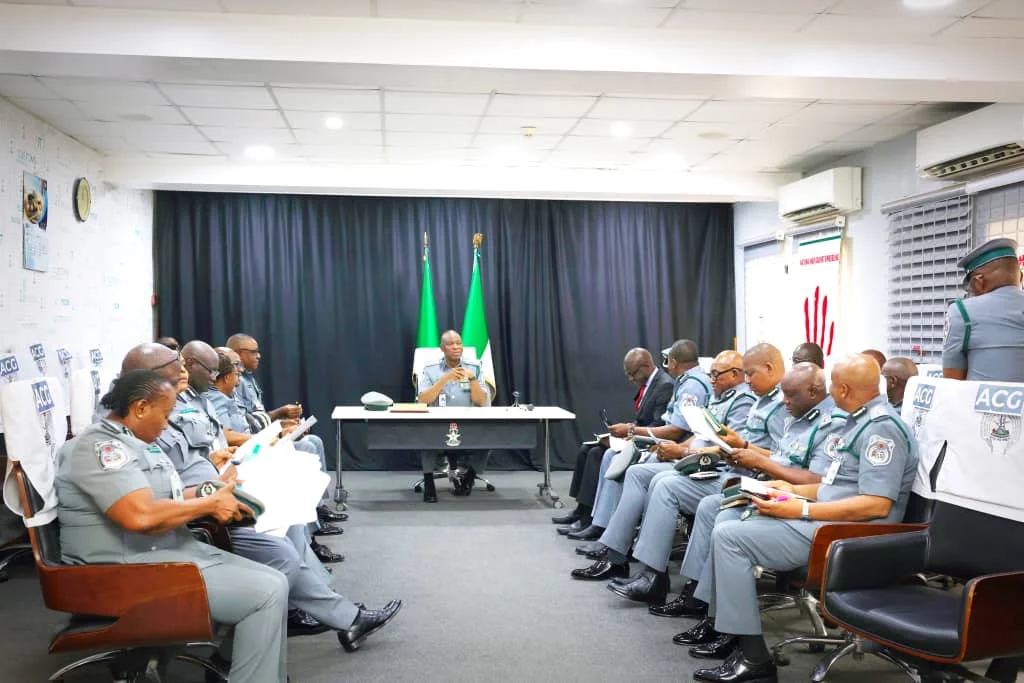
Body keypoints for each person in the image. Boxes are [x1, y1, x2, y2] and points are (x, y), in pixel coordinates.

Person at [137, 341, 403, 651]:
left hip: (216, 491)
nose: (183, 369)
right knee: (281, 547)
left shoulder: (181, 403)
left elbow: (193, 456)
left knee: (287, 522)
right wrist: (211, 491)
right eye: (178, 365)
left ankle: (334, 614)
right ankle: (304, 619)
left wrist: (217, 465)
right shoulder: (139, 422)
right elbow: (157, 494)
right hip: (202, 515)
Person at [689, 354, 918, 683]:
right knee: (727, 520)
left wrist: (802, 509)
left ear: (843, 389)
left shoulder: (881, 429)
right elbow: (837, 486)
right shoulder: (857, 421)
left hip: (851, 534)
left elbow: (876, 505)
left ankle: (754, 658)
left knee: (730, 537)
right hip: (832, 521)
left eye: (832, 385)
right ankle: (728, 630)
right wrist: (789, 489)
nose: (829, 391)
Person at [56, 369, 290, 683]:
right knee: (265, 593)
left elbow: (168, 497)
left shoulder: (139, 444)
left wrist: (213, 491)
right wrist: (209, 505)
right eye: (165, 416)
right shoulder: (99, 448)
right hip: (119, 569)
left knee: (277, 580)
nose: (167, 425)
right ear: (140, 408)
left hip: (161, 552)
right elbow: (140, 516)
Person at [570, 344, 785, 596]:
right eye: (712, 374)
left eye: (717, 375)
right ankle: (620, 555)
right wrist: (681, 449)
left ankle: (657, 576)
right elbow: (704, 436)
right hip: (717, 463)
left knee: (664, 484)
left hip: (733, 472)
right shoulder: (749, 400)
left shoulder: (753, 402)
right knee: (639, 473)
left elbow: (757, 454)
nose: (711, 380)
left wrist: (682, 453)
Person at [669, 363, 846, 646]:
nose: (784, 401)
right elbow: (782, 457)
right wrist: (744, 448)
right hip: (781, 491)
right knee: (714, 508)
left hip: (804, 505)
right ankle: (703, 602)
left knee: (726, 527)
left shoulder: (833, 423)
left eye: (790, 395)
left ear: (814, 392)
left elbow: (819, 480)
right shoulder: (800, 415)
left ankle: (732, 632)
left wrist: (764, 467)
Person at [206, 349, 344, 565]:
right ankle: (308, 539)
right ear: (225, 376)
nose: (239, 374)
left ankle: (312, 524)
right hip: (236, 459)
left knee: (304, 453)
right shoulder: (214, 399)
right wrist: (271, 436)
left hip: (246, 450)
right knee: (295, 467)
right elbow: (226, 435)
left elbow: (250, 419)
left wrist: (277, 428)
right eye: (235, 369)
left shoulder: (230, 393)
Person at [564, 340, 712, 541]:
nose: (714, 380)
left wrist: (632, 432)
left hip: (679, 450)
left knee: (619, 460)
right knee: (603, 453)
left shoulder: (691, 385)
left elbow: (677, 431)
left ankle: (610, 531)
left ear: (674, 362)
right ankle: (600, 522)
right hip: (677, 446)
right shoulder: (687, 382)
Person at [226, 334, 344, 530]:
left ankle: (318, 507)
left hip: (258, 439)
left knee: (314, 441)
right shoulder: (234, 385)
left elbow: (257, 416)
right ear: (238, 353)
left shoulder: (248, 379)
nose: (258, 356)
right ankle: (311, 519)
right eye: (253, 352)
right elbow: (246, 422)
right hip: (252, 446)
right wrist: (279, 425)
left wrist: (281, 423)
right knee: (307, 446)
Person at [553, 347, 674, 530]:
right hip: (637, 437)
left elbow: (658, 426)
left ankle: (590, 518)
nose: (630, 378)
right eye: (628, 374)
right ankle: (581, 509)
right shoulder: (650, 384)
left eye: (633, 373)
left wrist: (630, 432)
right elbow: (643, 420)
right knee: (586, 450)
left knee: (596, 454)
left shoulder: (665, 385)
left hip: (649, 444)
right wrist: (627, 429)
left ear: (646, 366)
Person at [416, 330, 491, 502]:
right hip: (438, 424)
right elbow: (423, 400)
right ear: (442, 348)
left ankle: (469, 478)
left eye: (459, 343)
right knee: (425, 438)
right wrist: (444, 379)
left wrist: (473, 380)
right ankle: (429, 483)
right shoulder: (431, 369)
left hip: (468, 424)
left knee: (489, 438)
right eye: (450, 344)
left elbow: (481, 401)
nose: (456, 347)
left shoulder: (474, 367)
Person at [943, 237, 1024, 382]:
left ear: (978, 282)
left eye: (970, 287)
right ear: (1021, 277)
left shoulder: (962, 312)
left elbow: (952, 382)